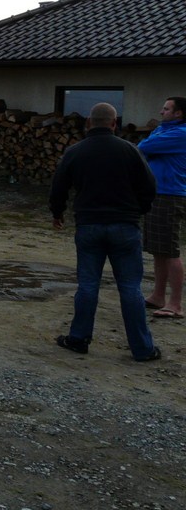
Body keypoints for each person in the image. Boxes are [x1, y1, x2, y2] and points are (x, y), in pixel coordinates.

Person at [48, 102, 160, 361]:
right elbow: (149, 186)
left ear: (89, 123)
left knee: (88, 285)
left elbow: (59, 186)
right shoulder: (130, 151)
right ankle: (142, 349)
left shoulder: (75, 151)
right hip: (125, 226)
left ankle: (78, 338)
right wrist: (140, 210)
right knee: (130, 287)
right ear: (114, 123)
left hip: (89, 225)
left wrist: (57, 213)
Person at [139, 97, 186, 319]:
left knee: (169, 250)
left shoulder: (181, 133)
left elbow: (144, 147)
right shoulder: (164, 130)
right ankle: (158, 296)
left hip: (170, 194)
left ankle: (175, 304)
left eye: (166, 109)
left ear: (179, 113)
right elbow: (145, 150)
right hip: (158, 193)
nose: (161, 112)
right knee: (158, 249)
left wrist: (154, 145)